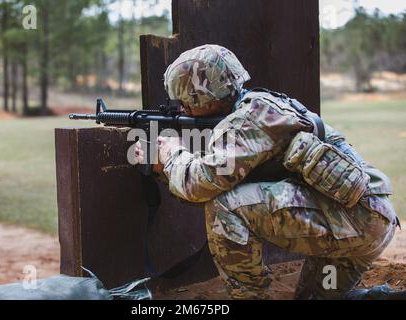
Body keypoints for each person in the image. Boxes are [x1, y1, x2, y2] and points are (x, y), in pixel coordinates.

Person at [135, 44, 402, 299]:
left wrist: (170, 154)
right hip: (361, 227)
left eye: (186, 99)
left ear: (207, 94)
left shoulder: (249, 119)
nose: (182, 107)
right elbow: (213, 180)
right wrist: (168, 167)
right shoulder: (261, 106)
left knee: (226, 206)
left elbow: (200, 186)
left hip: (353, 223)